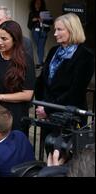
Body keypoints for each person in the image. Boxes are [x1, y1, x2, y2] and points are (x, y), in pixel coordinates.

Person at [35, 13, 94, 157]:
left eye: (59, 30)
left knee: (66, 157)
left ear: (72, 29)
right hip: (47, 114)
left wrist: (47, 109)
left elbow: (76, 90)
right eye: (55, 29)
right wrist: (40, 105)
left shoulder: (85, 55)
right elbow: (43, 80)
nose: (55, 34)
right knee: (49, 152)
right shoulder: (54, 51)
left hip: (68, 116)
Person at [0, 20, 35, 137]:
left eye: (4, 39)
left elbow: (27, 94)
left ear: (15, 39)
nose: (0, 42)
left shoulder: (25, 60)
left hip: (15, 116)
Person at [28, 0, 53, 67]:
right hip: (35, 31)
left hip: (43, 30)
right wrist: (34, 20)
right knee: (39, 46)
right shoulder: (32, 13)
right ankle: (41, 62)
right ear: (34, 4)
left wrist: (43, 20)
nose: (38, 4)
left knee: (40, 45)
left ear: (42, 4)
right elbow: (29, 25)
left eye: (39, 3)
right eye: (36, 3)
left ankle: (40, 63)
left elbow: (51, 22)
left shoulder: (46, 12)